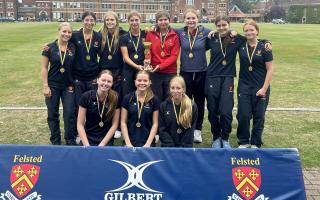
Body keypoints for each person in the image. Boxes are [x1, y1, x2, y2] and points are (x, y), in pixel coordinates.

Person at [175, 8, 211, 143]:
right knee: (186, 102)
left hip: (201, 72)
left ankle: (197, 130)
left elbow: (220, 33)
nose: (191, 21)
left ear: (198, 19)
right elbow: (164, 28)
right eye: (188, 18)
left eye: (193, 18)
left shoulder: (206, 31)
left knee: (200, 103)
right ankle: (186, 126)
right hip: (185, 73)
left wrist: (232, 32)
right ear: (184, 20)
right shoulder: (179, 31)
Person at [236, 20, 273, 148]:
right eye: (246, 30)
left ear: (257, 31)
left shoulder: (265, 47)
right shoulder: (241, 44)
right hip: (244, 86)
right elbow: (227, 33)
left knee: (259, 116)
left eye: (251, 30)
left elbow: (270, 69)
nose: (249, 32)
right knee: (243, 114)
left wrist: (264, 88)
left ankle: (256, 142)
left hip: (260, 86)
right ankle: (243, 141)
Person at [41, 22, 76, 145]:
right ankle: (55, 141)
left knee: (70, 113)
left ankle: (70, 139)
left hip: (69, 85)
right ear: (58, 32)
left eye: (69, 32)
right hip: (53, 85)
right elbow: (44, 67)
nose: (66, 34)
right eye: (64, 31)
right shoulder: (49, 48)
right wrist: (45, 86)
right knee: (52, 113)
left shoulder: (73, 47)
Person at [77, 70, 120, 146]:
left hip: (106, 141)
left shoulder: (115, 98)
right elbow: (80, 124)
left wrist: (102, 144)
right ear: (97, 80)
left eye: (109, 81)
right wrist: (86, 144)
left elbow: (115, 125)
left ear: (112, 83)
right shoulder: (86, 97)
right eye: (103, 80)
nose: (105, 83)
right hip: (88, 139)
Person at [146, 10, 180, 101]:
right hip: (154, 72)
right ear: (157, 21)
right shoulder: (150, 33)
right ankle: (157, 116)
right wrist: (148, 61)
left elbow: (174, 56)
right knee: (156, 99)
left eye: (165, 19)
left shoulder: (175, 35)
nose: (163, 22)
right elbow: (148, 50)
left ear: (169, 20)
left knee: (169, 99)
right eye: (160, 20)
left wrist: (160, 66)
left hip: (170, 72)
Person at [121, 70, 160, 147]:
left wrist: (148, 144)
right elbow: (123, 122)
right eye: (139, 80)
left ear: (150, 82)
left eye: (145, 81)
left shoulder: (154, 100)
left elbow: (155, 123)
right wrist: (128, 143)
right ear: (135, 82)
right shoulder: (127, 98)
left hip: (148, 144)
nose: (142, 83)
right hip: (130, 143)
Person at [159, 76, 198, 147]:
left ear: (183, 89)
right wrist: (170, 145)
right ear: (169, 89)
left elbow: (190, 130)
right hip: (168, 147)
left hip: (185, 148)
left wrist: (183, 147)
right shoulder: (163, 106)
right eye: (172, 88)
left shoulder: (192, 106)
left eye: (178, 88)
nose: (175, 91)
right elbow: (162, 129)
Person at [99, 11, 126, 96]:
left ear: (116, 21)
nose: (109, 22)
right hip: (103, 68)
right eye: (107, 20)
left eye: (112, 19)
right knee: (104, 95)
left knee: (116, 95)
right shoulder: (99, 34)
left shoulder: (123, 34)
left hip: (118, 69)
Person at [120, 10, 146, 97]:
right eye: (132, 20)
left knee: (141, 93)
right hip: (128, 69)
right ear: (128, 22)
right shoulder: (124, 37)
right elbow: (125, 57)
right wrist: (137, 66)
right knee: (127, 94)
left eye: (136, 20)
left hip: (142, 69)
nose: (134, 22)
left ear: (140, 20)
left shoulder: (145, 35)